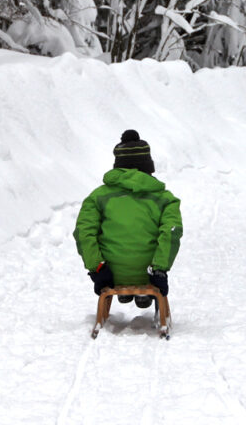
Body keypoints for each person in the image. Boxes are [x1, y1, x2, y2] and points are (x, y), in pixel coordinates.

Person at [73, 130, 182, 308]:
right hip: (150, 275)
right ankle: (144, 293)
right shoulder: (165, 199)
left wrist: (97, 268)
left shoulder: (98, 197)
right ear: (148, 166)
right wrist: (160, 270)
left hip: (110, 274)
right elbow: (171, 232)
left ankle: (125, 292)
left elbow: (83, 232)